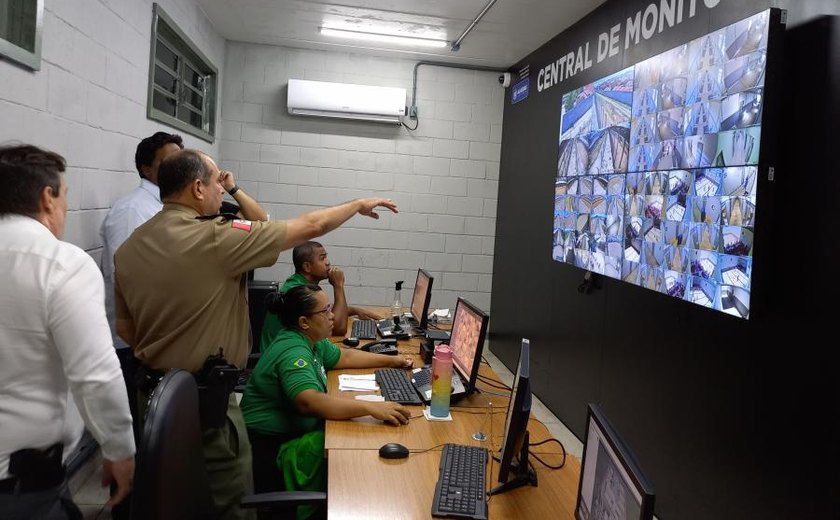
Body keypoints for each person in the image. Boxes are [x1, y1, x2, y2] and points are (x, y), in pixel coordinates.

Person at [113, 148, 398, 520]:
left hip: (153, 399)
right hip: (206, 406)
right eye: (218, 182)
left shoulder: (129, 248)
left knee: (173, 498)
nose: (222, 189)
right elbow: (308, 226)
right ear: (198, 188)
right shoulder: (216, 239)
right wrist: (357, 203)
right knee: (231, 503)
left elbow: (126, 329)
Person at [0, 144, 135, 519]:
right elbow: (95, 374)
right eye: (66, 196)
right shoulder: (61, 264)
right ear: (48, 197)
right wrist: (119, 448)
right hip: (22, 488)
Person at [241, 284, 412, 502]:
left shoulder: (312, 341)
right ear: (304, 322)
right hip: (271, 450)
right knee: (354, 455)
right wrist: (371, 408)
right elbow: (309, 401)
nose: (332, 316)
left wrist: (393, 360)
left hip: (292, 435)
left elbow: (346, 357)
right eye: (325, 311)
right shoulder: (293, 350)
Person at [260, 241, 379, 350]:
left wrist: (355, 310)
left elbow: (323, 312)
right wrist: (338, 286)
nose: (328, 262)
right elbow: (338, 328)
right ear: (307, 267)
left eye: (326, 256)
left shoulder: (298, 283)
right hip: (283, 361)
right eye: (322, 258)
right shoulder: (299, 292)